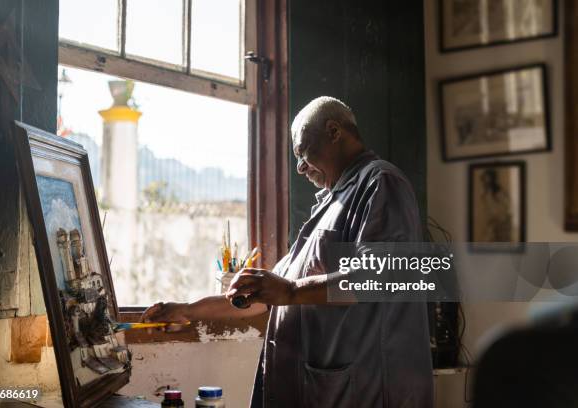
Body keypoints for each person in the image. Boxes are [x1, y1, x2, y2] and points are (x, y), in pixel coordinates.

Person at [141, 96, 433, 408]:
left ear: (334, 131)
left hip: (363, 391)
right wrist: (187, 310)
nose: (299, 167)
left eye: (302, 151)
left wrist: (292, 290)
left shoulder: (379, 182)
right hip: (317, 389)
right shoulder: (329, 204)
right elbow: (265, 299)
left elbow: (375, 276)